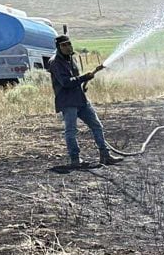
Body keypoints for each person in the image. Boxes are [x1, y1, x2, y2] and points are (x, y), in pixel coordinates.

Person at [46, 35, 117, 171]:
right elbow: (66, 83)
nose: (67, 47)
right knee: (71, 131)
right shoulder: (55, 62)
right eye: (64, 45)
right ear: (58, 47)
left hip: (80, 99)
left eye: (69, 44)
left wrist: (84, 82)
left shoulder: (70, 59)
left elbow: (75, 80)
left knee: (97, 126)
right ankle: (75, 159)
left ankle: (105, 155)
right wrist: (84, 77)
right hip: (68, 102)